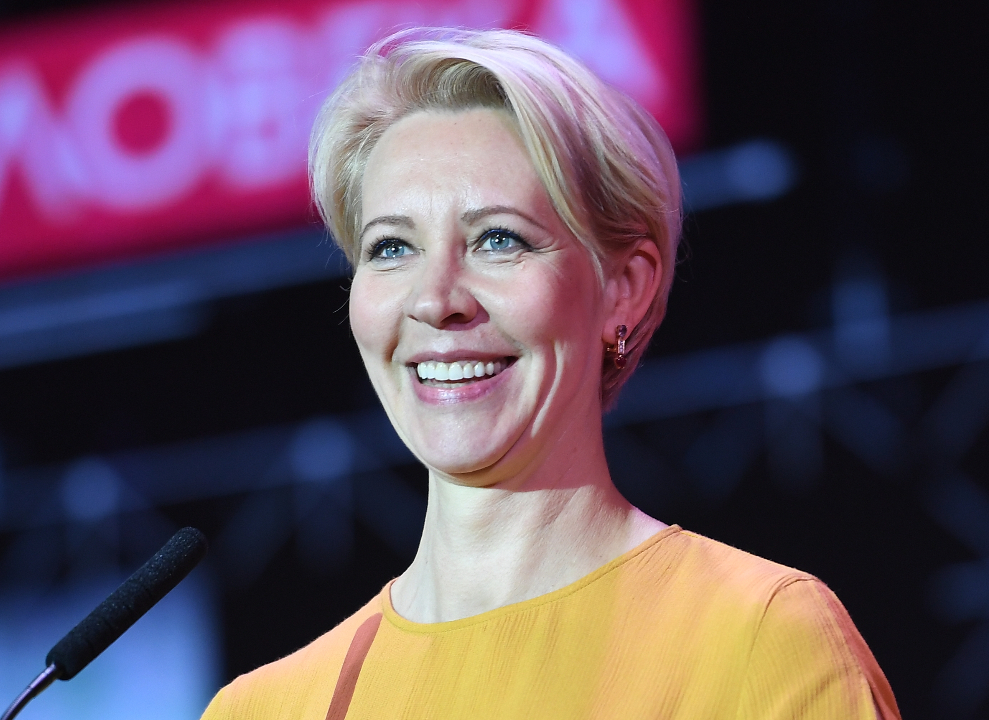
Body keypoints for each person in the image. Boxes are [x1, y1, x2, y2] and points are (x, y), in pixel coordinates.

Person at [201, 28, 901, 719]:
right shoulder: (263, 710)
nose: (436, 300)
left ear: (624, 288)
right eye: (391, 248)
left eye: (497, 239)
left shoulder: (759, 641)